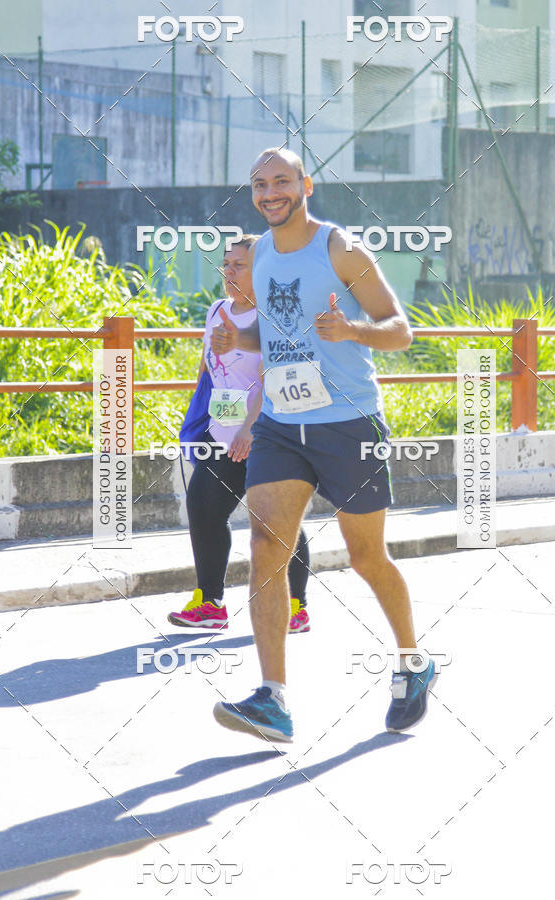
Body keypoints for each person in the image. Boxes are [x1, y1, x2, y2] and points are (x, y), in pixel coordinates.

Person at [211, 148, 437, 743]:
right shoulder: (259, 253)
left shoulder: (341, 249)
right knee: (266, 545)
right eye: (260, 184)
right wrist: (242, 339)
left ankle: (413, 662)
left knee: (366, 558)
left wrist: (351, 329)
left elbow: (400, 330)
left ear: (305, 185)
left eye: (281, 181)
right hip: (282, 425)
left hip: (348, 423)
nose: (270, 193)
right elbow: (277, 332)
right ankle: (272, 698)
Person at [167, 234, 311, 634]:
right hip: (221, 434)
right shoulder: (217, 311)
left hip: (268, 436)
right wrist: (201, 420)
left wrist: (249, 428)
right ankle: (209, 604)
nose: (229, 271)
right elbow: (208, 369)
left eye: (239, 265)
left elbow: (275, 379)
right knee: (203, 508)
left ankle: (296, 608)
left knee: (277, 521)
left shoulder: (275, 318)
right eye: (226, 264)